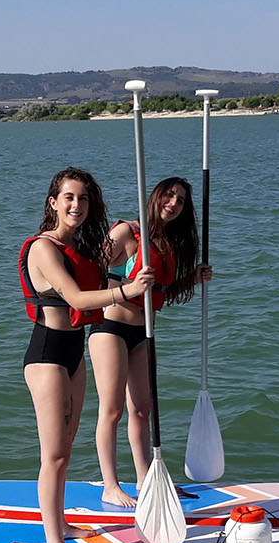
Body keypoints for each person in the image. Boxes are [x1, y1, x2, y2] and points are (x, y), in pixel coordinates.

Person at [20, 168, 153, 543]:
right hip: (47, 354)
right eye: (69, 198)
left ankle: (59, 522)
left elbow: (107, 268)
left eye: (83, 199)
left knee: (68, 446)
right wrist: (128, 290)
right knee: (54, 455)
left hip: (74, 350)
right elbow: (76, 296)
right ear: (53, 203)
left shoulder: (80, 246)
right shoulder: (44, 248)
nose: (76, 205)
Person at [88, 177, 211, 508]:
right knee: (112, 411)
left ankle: (145, 479)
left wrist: (191, 278)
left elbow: (160, 293)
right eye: (169, 196)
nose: (174, 203)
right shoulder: (128, 232)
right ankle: (110, 486)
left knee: (142, 409)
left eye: (181, 200)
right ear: (156, 197)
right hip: (109, 327)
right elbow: (89, 269)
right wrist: (124, 281)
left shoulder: (169, 243)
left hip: (143, 334)